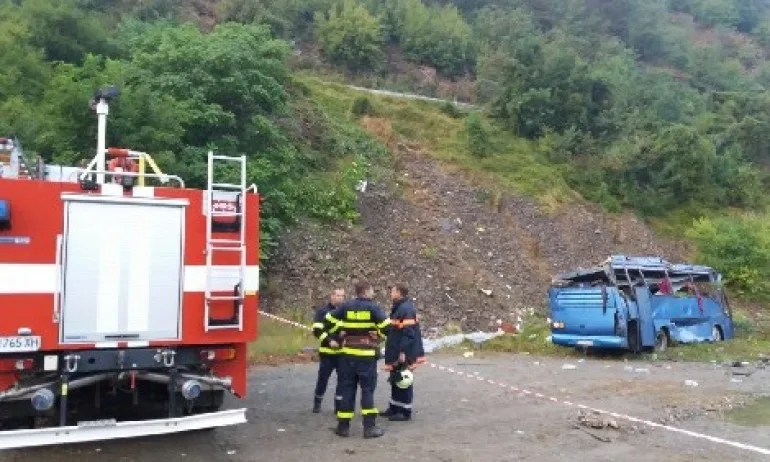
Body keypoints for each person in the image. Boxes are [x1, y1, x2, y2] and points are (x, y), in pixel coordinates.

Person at [319, 280, 391, 438]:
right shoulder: (373, 307)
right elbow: (388, 326)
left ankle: (343, 427)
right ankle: (369, 427)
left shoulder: (346, 306)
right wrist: (378, 334)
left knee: (347, 390)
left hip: (347, 355)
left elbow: (327, 321)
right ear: (366, 291)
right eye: (372, 290)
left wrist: (341, 333)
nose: (373, 293)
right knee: (367, 390)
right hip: (366, 357)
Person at [381, 283, 425, 422]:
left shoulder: (406, 309)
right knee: (395, 379)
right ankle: (394, 407)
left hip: (403, 351)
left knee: (404, 380)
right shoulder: (399, 307)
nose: (391, 293)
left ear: (399, 292)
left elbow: (409, 333)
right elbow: (394, 329)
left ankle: (405, 411)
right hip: (395, 349)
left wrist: (403, 352)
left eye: (393, 291)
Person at [311, 288, 346, 414]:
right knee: (323, 379)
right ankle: (317, 402)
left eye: (342, 296)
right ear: (332, 296)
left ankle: (339, 406)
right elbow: (316, 330)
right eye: (338, 295)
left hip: (343, 353)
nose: (340, 298)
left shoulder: (346, 312)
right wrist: (329, 340)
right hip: (327, 352)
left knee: (343, 380)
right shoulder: (322, 312)